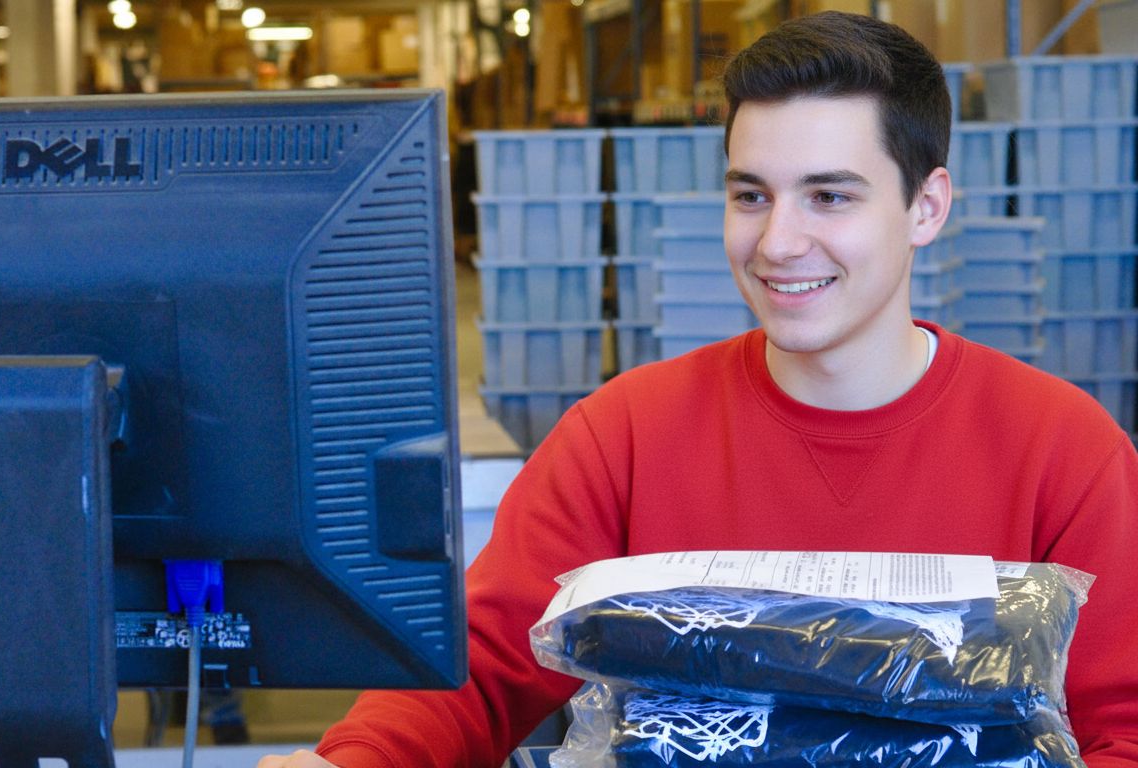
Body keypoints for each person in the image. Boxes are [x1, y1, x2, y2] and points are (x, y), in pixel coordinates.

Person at [261, 11, 1138, 768]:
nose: (778, 242)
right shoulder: (626, 434)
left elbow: (1124, 730)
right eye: (751, 195)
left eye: (830, 197)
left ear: (927, 207)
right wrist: (356, 759)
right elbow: (481, 666)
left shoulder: (1061, 448)